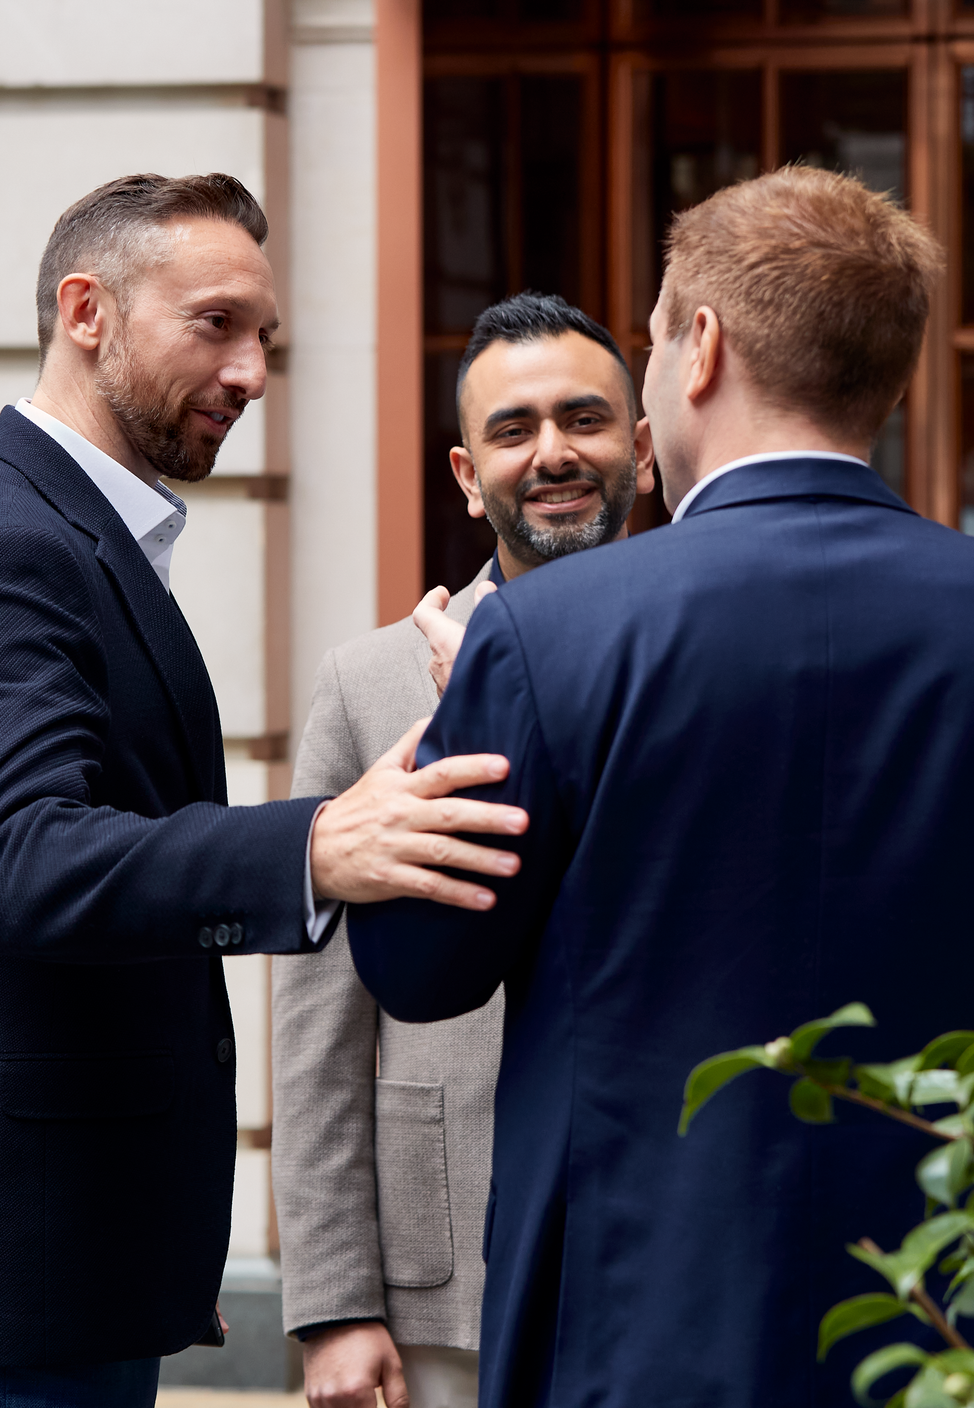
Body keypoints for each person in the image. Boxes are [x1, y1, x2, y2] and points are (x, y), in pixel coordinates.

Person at [347, 166, 974, 1408]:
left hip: (631, 1312)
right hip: (961, 1317)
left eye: (650, 338)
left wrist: (434, 747)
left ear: (700, 347)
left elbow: (421, 966)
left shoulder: (550, 632)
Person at [0, 174, 523, 1407]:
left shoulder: (84, 532)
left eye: (264, 338)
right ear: (87, 311)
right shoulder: (21, 539)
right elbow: (26, 853)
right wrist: (316, 847)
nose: (250, 373)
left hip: (88, 1266)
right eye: (216, 325)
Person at [272, 293, 654, 1408]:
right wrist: (333, 1303)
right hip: (445, 1271)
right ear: (466, 473)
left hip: (665, 1244)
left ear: (640, 446)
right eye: (513, 429)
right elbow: (316, 1020)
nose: (553, 453)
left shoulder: (722, 654)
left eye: (584, 419)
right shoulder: (367, 683)